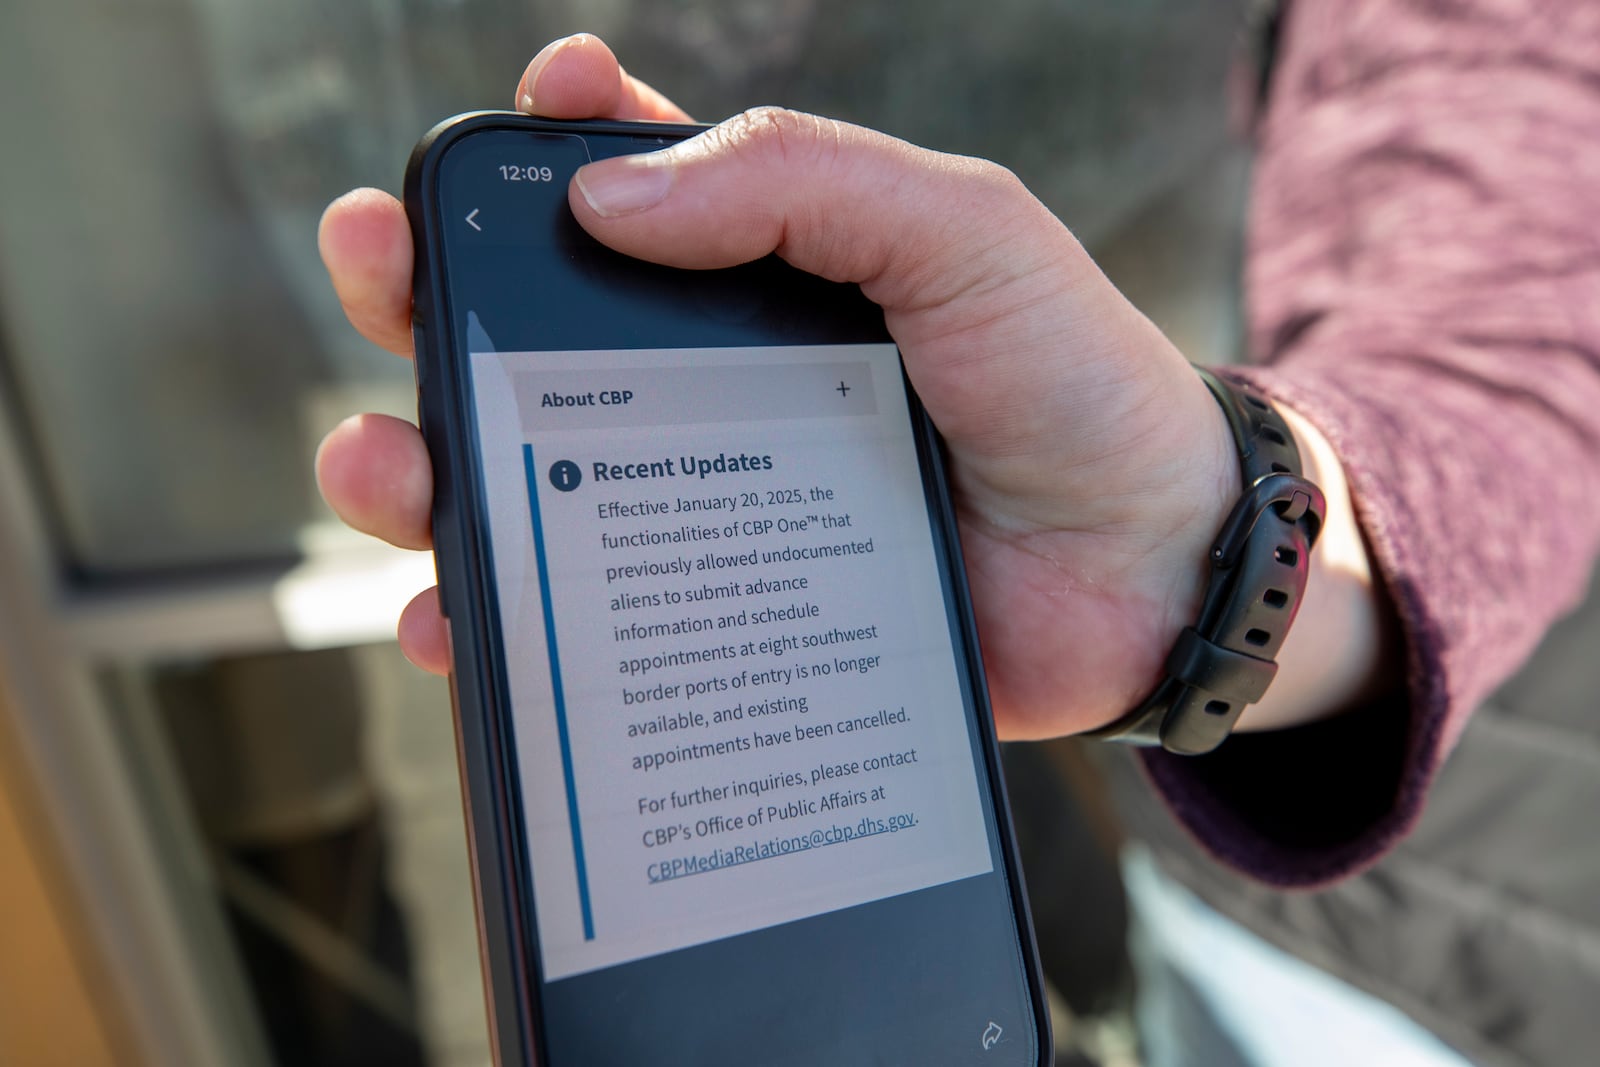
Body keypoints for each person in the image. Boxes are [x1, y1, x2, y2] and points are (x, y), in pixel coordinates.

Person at [315, 5, 1600, 1064]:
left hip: (1414, 932)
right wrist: (1176, 563)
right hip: (1207, 805)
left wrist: (1203, 529)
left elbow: (1516, 324)